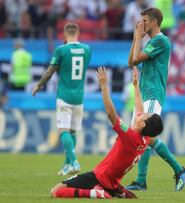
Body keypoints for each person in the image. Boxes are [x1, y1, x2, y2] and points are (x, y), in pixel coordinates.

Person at [50, 66, 163, 199]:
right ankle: (115, 190)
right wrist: (136, 86)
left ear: (143, 124)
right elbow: (139, 109)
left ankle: (96, 193)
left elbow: (111, 114)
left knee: (56, 191)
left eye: (145, 115)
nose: (142, 113)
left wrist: (104, 86)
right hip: (112, 181)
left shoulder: (130, 136)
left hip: (99, 177)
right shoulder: (145, 139)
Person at [126, 7, 185, 191]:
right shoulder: (152, 42)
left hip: (153, 94)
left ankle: (176, 170)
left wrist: (138, 37)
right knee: (141, 137)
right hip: (145, 94)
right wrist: (135, 38)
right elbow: (131, 61)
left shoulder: (161, 41)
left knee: (146, 136)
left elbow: (136, 59)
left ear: (154, 22)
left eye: (144, 21)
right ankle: (142, 180)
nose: (140, 24)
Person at [32, 23, 91, 176]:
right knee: (73, 132)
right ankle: (67, 164)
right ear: (78, 33)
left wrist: (38, 85)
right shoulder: (86, 49)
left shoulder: (61, 50)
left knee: (63, 130)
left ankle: (74, 160)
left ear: (65, 35)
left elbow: (50, 72)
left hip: (64, 96)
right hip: (79, 97)